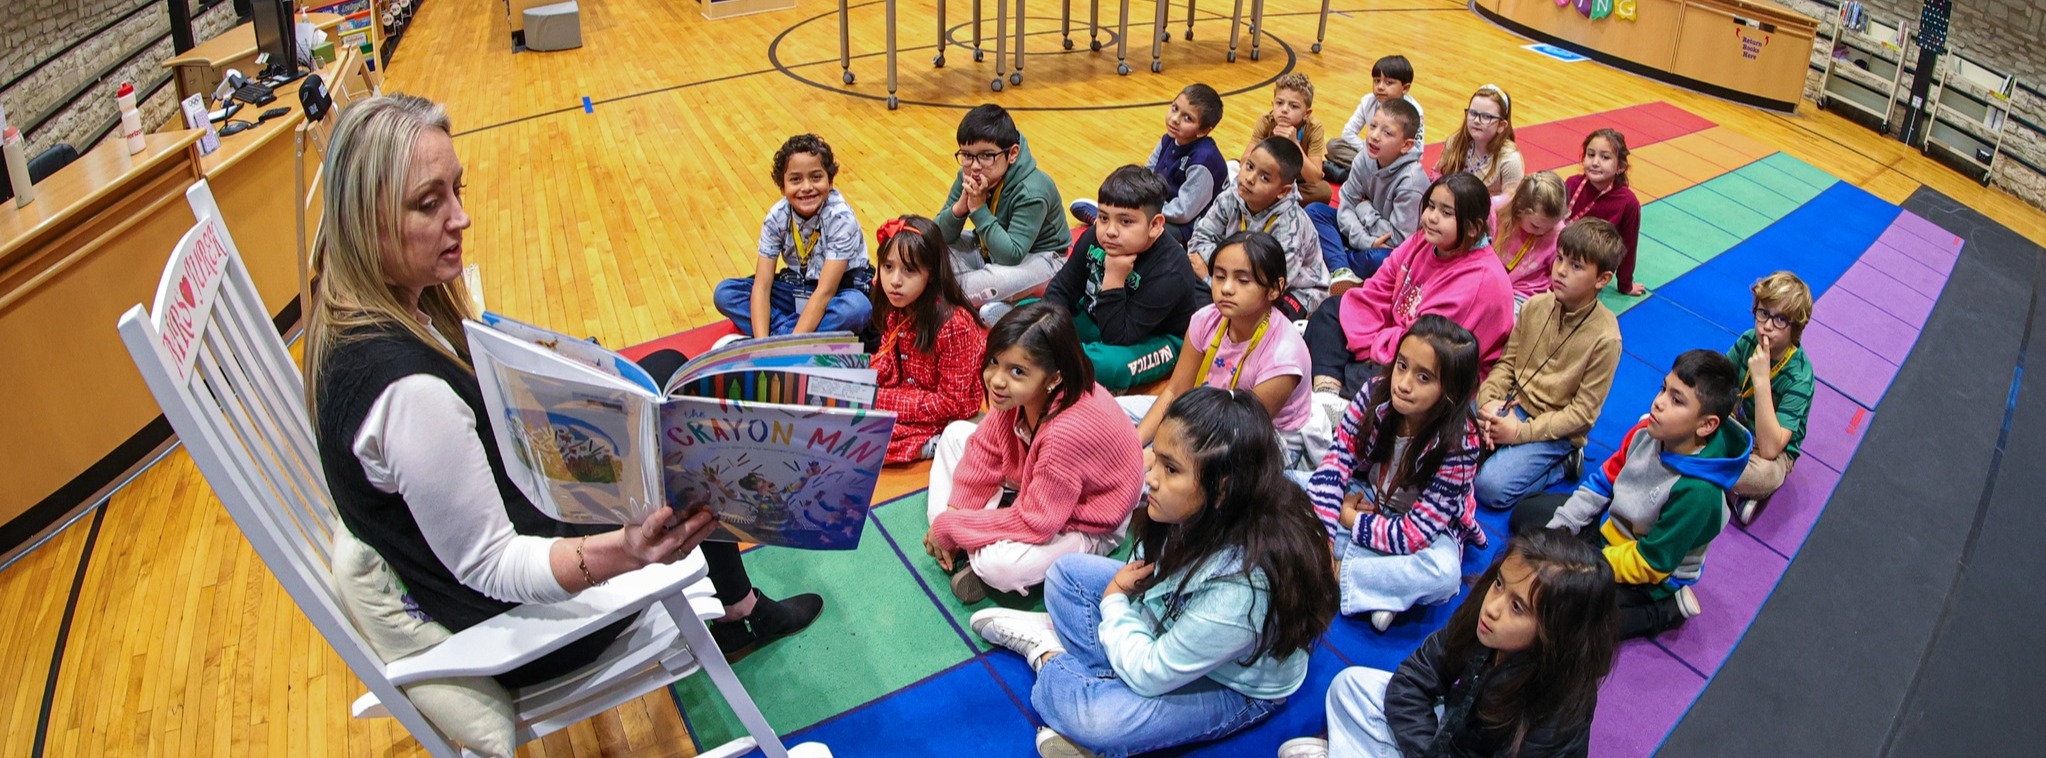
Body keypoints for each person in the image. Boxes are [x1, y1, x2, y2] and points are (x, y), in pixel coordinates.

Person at [305, 96, 820, 689]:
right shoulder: (409, 393)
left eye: (457, 190)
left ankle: (736, 609)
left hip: (505, 518)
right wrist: (631, 551)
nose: (460, 218)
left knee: (668, 374)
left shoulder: (357, 312)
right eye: (429, 203)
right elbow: (492, 566)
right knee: (679, 428)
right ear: (363, 224)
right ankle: (743, 610)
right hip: (525, 627)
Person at [971, 388, 1337, 757]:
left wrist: (1114, 599)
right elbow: (1152, 582)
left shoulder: (1242, 588)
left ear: (1222, 489)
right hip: (1173, 620)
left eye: (1171, 468)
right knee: (1065, 575)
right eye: (1157, 459)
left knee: (1097, 719)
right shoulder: (1212, 507)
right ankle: (1101, 678)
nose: (1151, 476)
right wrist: (1124, 605)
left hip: (1231, 684)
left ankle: (1049, 656)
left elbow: (1150, 672)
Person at [1279, 530, 1618, 758]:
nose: (1494, 607)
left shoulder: (1556, 707)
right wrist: (1428, 749)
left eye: (1518, 607)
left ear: (1553, 632)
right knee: (1348, 686)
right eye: (1499, 584)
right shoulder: (1482, 620)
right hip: (1447, 737)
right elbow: (1412, 679)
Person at [1513, 350, 1751, 640]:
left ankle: (1664, 611)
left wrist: (1584, 564)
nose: (1659, 403)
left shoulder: (1698, 493)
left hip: (1652, 571)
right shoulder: (1646, 430)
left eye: (1677, 400)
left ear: (1706, 425)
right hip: (1612, 530)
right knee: (1528, 518)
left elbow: (1651, 562)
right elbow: (1601, 485)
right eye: (1664, 389)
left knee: (1567, 618)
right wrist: (1561, 527)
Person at [923, 302, 1145, 603]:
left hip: (1085, 518)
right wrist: (953, 519)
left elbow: (1036, 522)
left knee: (999, 567)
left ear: (1053, 378)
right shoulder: (1017, 394)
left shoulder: (1064, 433)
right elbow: (984, 452)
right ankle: (967, 540)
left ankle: (976, 547)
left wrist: (955, 527)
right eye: (994, 362)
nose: (998, 380)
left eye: (1017, 371)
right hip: (1040, 482)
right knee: (954, 436)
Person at [1299, 315, 1488, 631]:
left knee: (1443, 574)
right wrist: (1324, 540)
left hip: (1425, 527)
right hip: (1368, 495)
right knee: (1287, 484)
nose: (1404, 383)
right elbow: (1335, 464)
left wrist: (1347, 520)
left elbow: (1415, 534)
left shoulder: (1461, 444)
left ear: (1451, 392)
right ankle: (1382, 591)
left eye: (1424, 377)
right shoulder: (1375, 392)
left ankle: (1337, 574)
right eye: (1402, 366)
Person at [1303, 173, 1514, 401]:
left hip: (1430, 368)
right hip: (1389, 336)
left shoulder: (1479, 280)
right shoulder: (1424, 240)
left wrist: (1370, 344)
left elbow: (1425, 347)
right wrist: (1370, 336)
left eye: (1446, 213)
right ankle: (1327, 394)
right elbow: (1378, 288)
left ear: (1473, 228)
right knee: (1334, 309)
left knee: (1390, 377)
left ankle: (1334, 392)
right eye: (1431, 206)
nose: (1432, 217)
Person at [1122, 232, 1318, 467]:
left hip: (1258, 437)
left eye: (1242, 281)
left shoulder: (1283, 356)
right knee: (1110, 413)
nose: (1226, 288)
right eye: (1219, 276)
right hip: (1205, 408)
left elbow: (1241, 434)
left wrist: (1158, 455)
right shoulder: (1205, 319)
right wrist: (1136, 447)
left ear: (1275, 289)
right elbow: (1175, 392)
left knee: (1165, 483)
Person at [1473, 219, 1624, 512]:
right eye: (1559, 259)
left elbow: (1582, 415)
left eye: (1576, 266)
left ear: (1602, 279)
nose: (1561, 271)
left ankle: (1564, 463)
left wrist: (1520, 433)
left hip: (1554, 430)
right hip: (1510, 406)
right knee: (1442, 440)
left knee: (1489, 488)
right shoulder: (1535, 306)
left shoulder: (1606, 339)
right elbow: (1506, 365)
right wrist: (1489, 401)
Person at [1043, 165, 1212, 391]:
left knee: (1108, 366)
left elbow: (1118, 337)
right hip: (1098, 316)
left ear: (1155, 225)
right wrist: (1049, 326)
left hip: (1154, 339)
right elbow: (1061, 289)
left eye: (1125, 222)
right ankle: (1060, 359)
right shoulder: (1097, 236)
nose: (1110, 230)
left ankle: (1052, 359)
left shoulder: (1171, 269)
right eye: (1103, 217)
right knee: (1032, 313)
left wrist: (1113, 277)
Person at [712, 134, 872, 337]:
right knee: (725, 293)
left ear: (830, 181)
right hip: (796, 289)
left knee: (856, 308)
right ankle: (803, 335)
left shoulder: (840, 217)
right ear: (782, 186)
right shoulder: (776, 217)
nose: (806, 187)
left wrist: (791, 346)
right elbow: (762, 286)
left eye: (816, 177)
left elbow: (825, 292)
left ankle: (787, 335)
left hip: (837, 292)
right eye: (795, 179)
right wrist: (763, 344)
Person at [938, 104, 1073, 324]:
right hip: (988, 249)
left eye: (986, 156)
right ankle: (1005, 305)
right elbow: (939, 235)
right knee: (927, 250)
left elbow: (1011, 255)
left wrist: (979, 209)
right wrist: (959, 209)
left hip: (1042, 258)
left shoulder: (1033, 190)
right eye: (967, 155)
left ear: (1012, 153)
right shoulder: (968, 174)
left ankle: (1019, 303)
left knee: (971, 281)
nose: (974, 166)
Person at [870, 215, 987, 463]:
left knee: (868, 444)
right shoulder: (898, 306)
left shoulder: (955, 324)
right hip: (908, 393)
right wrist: (862, 383)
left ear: (931, 273)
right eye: (887, 267)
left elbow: (952, 402)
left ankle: (936, 445)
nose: (895, 281)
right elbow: (887, 359)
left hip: (946, 412)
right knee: (844, 428)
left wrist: (879, 399)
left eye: (909, 270)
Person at [1188, 136, 1329, 319]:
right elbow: (1199, 239)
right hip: (1236, 279)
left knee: (1265, 320)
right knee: (1185, 282)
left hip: (1293, 292)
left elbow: (1269, 287)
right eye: (1249, 166)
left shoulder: (1291, 227)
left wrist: (1210, 277)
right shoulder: (1231, 196)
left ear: (1282, 191)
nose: (1249, 179)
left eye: (1264, 177)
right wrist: (1223, 275)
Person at [1078, 84, 1228, 244]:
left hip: (1188, 227)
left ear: (1203, 131)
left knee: (1140, 234)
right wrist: (1133, 199)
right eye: (1175, 108)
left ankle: (1106, 219)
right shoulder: (1168, 139)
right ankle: (1111, 218)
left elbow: (1184, 212)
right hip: (1159, 209)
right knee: (1132, 220)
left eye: (1187, 118)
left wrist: (1148, 208)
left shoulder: (1203, 160)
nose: (1175, 119)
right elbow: (1147, 174)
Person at [1308, 98, 1429, 292]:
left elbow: (1398, 240)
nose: (1374, 136)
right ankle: (1342, 270)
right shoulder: (1365, 156)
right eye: (1372, 126)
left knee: (1381, 260)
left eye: (1387, 132)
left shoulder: (1412, 182)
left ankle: (1334, 259)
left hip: (1387, 250)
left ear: (1406, 146)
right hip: (1369, 237)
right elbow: (1346, 202)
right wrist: (1365, 240)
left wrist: (1363, 208)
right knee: (1315, 211)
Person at [1726, 271, 1816, 525]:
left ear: (1795, 328)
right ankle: (1725, 483)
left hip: (1772, 453)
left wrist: (1762, 381)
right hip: (1735, 428)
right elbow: (1716, 381)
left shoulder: (1800, 377)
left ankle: (1714, 472)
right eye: (1763, 313)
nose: (1766, 325)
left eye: (1780, 320)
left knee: (1766, 473)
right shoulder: (1748, 340)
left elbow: (1770, 449)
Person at [1565, 128, 1646, 296]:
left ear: (1620, 167)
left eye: (1605, 157)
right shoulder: (1572, 184)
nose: (1595, 162)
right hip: (1562, 255)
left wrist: (1625, 284)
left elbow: (1628, 246)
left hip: (1592, 268)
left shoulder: (1628, 202)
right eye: (1590, 154)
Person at [1326, 55, 1425, 184]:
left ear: (1405, 88)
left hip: (1394, 162)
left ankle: (1352, 176)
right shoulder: (1368, 101)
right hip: (1371, 152)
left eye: (1388, 83)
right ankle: (1368, 176)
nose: (1380, 87)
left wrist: (1384, 155)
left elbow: (1417, 151)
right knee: (1334, 145)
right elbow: (1348, 132)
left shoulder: (1414, 111)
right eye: (1377, 81)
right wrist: (1371, 150)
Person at [1245, 72, 1332, 204]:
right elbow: (1245, 160)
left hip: (1297, 183)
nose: (1284, 110)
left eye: (1294, 106)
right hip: (1266, 177)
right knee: (1235, 169)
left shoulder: (1314, 128)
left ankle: (1270, 199)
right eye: (1279, 103)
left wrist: (1295, 143)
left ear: (1307, 113)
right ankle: (1276, 198)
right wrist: (1271, 143)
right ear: (1272, 105)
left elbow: (1315, 178)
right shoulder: (1266, 121)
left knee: (1323, 191)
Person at [1489, 171, 1569, 312]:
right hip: (1490, 281)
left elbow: (1560, 273)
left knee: (1508, 321)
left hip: (1524, 294)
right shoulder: (1502, 209)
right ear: (1519, 210)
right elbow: (1480, 205)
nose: (1543, 232)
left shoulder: (1558, 234)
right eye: (1536, 226)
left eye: (1549, 227)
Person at [1435, 84, 1524, 198]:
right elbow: (1438, 174)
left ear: (1501, 125)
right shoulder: (1455, 142)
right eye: (1473, 113)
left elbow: (1511, 200)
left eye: (1486, 116)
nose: (1477, 120)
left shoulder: (1510, 159)